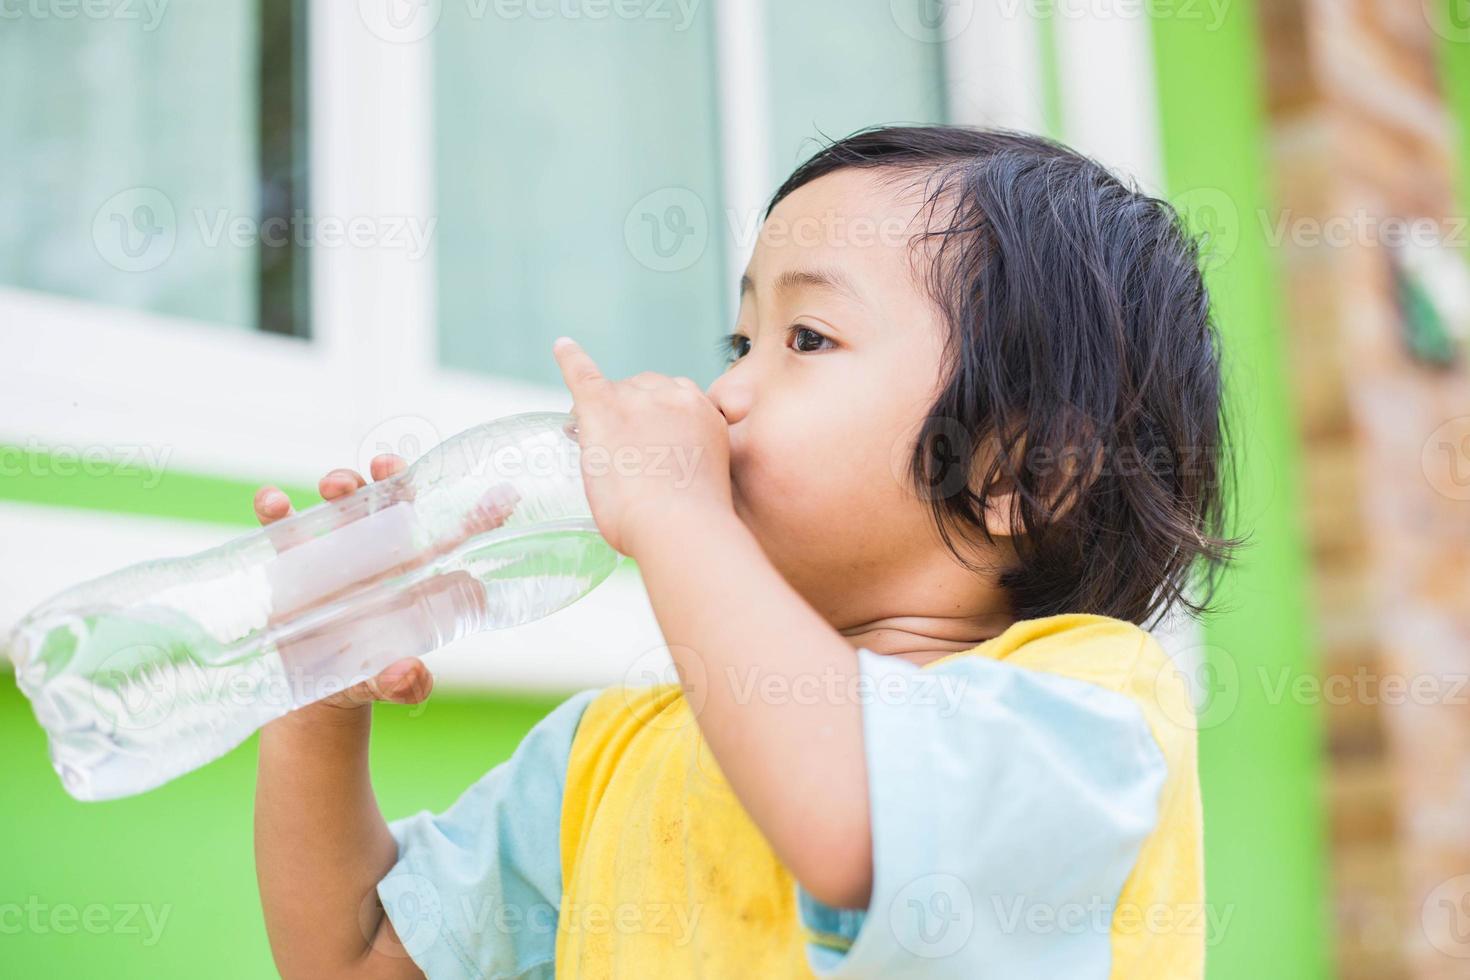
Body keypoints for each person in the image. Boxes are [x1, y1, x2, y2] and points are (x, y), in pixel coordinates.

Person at [253, 125, 1235, 979]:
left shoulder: (1090, 714)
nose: (722, 396)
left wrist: (681, 512)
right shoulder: (609, 753)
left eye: (806, 338)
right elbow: (353, 958)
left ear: (1020, 472)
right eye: (738, 343)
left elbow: (851, 822)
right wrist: (320, 687)